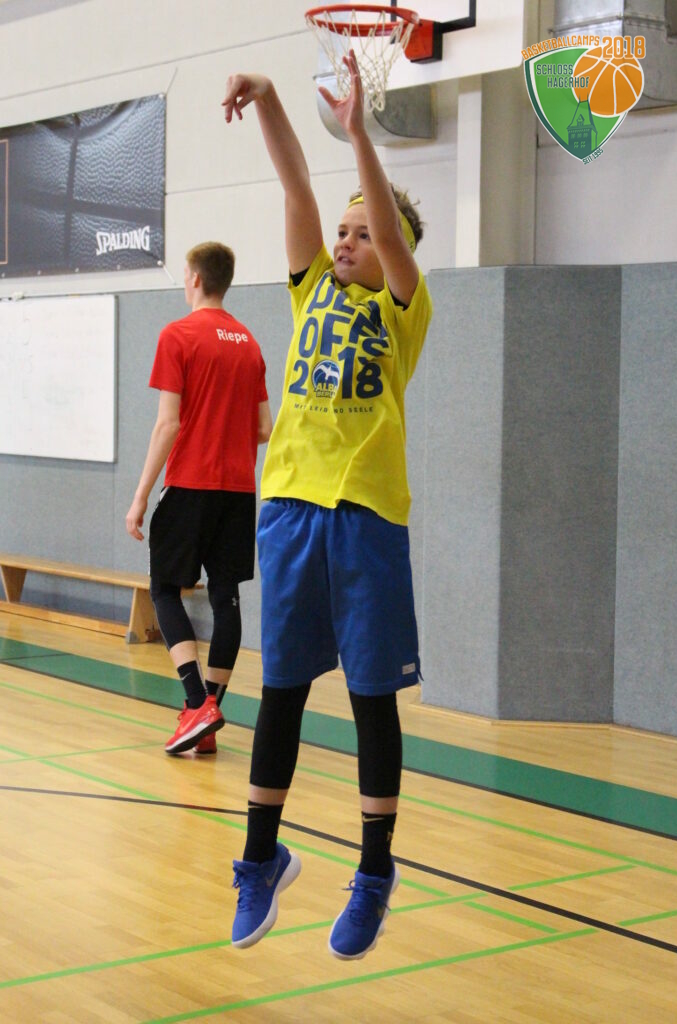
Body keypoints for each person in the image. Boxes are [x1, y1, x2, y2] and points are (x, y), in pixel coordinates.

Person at [222, 50, 432, 961]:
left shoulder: (402, 308)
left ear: (391, 251)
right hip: (290, 512)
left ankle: (374, 872)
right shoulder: (310, 288)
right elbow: (295, 186)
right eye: (341, 233)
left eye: (362, 233)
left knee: (371, 699)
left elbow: (384, 228)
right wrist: (272, 98)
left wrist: (359, 137)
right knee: (280, 693)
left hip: (367, 519)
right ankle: (259, 860)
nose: (345, 241)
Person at [125, 241, 272, 756]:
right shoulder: (249, 343)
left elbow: (168, 424)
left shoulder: (178, 335)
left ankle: (195, 704)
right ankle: (207, 716)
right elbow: (264, 428)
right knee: (225, 596)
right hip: (238, 490)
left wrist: (140, 496)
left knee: (164, 589)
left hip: (190, 484)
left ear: (194, 279)